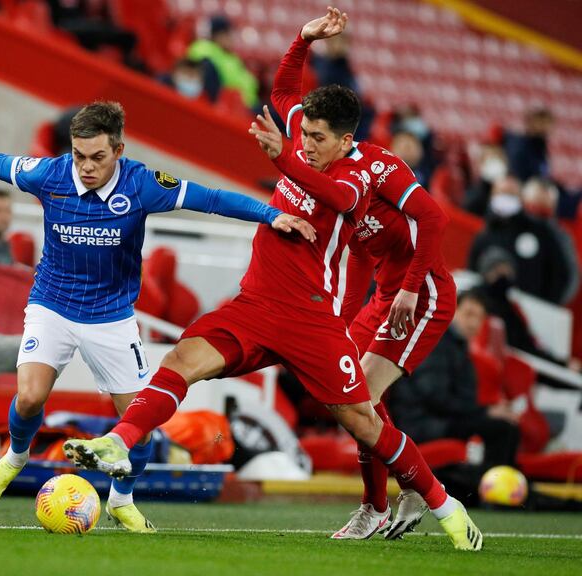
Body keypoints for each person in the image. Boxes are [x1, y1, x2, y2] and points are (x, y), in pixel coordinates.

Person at [64, 9, 482, 551]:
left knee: (361, 418)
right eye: (301, 133)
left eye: (314, 137)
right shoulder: (305, 140)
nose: (303, 141)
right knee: (180, 361)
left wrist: (284, 156)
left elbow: (345, 200)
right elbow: (286, 89)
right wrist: (301, 39)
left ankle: (441, 503)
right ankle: (120, 442)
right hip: (257, 303)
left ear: (345, 141)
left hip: (311, 315)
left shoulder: (358, 174)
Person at [0, 101, 313, 532]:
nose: (86, 167)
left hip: (112, 318)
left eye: (97, 157)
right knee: (29, 397)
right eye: (79, 155)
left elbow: (210, 199)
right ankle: (16, 456)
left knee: (140, 422)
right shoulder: (51, 174)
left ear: (118, 150)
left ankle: (121, 500)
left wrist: (272, 214)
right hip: (52, 306)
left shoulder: (143, 185)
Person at [389, 289, 521, 471]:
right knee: (503, 430)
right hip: (421, 423)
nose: (474, 323)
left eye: (480, 318)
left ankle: (496, 484)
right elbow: (435, 396)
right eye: (469, 314)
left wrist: (487, 411)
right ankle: (493, 490)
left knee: (505, 426)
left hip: (438, 419)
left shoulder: (457, 346)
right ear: (454, 311)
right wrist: (485, 412)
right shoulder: (437, 342)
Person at [468, 175, 576, 304]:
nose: (505, 198)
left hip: (534, 312)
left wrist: (549, 305)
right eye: (501, 193)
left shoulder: (541, 231)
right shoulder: (485, 235)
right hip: (490, 306)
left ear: (521, 198)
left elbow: (564, 274)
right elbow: (472, 272)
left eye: (511, 194)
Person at [187, 15, 260, 109]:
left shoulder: (229, 55)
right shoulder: (206, 52)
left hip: (246, 105)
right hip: (236, 109)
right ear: (219, 35)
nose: (232, 38)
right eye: (229, 34)